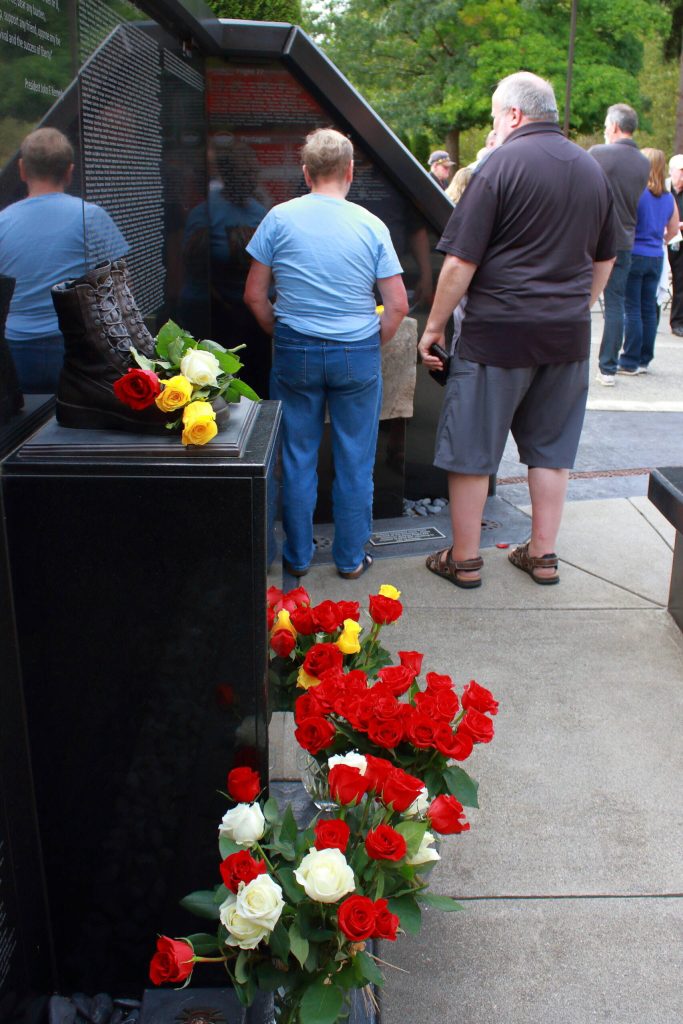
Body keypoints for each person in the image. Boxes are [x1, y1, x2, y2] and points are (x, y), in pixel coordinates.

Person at [418, 71, 615, 588]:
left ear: (513, 114)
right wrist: (577, 304)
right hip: (565, 336)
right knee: (551, 449)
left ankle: (463, 560)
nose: (493, 125)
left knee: (471, 450)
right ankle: (543, 555)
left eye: (492, 115)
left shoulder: (499, 165)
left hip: (496, 334)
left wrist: (433, 326)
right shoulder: (591, 169)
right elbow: (606, 256)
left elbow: (461, 261)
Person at [243, 128, 408, 579]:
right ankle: (351, 559)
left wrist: (279, 331)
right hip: (355, 350)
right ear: (350, 171)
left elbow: (255, 295)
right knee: (356, 459)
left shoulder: (278, 218)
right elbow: (396, 306)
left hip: (295, 347)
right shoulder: (370, 224)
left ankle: (297, 557)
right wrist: (370, 343)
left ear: (306, 172)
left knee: (296, 456)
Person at [0, 128, 128, 393]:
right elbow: (121, 290)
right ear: (70, 171)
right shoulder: (91, 217)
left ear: (22, 170)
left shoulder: (2, 222)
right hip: (75, 346)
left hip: (15, 348)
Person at [588, 104, 650, 386]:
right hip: (625, 239)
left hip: (594, 238)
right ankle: (608, 367)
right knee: (616, 304)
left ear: (613, 126)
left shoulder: (600, 154)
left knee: (578, 299)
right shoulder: (643, 161)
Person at [618, 149, 678, 374]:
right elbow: (673, 229)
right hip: (656, 255)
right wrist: (660, 239)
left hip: (635, 252)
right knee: (648, 308)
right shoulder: (668, 197)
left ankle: (629, 359)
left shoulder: (638, 193)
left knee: (631, 308)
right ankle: (644, 357)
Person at [666, 153, 683, 336]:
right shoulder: (662, 189)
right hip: (662, 239)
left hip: (680, 240)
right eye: (681, 172)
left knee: (680, 281)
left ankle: (678, 321)